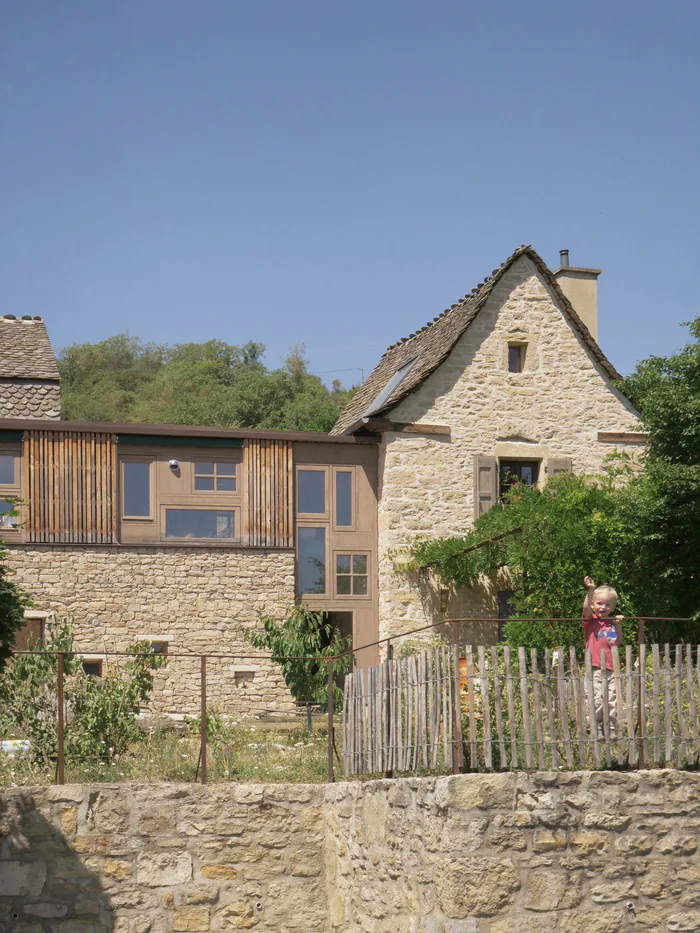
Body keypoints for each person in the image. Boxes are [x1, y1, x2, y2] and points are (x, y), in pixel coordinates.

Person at [582, 575, 624, 734]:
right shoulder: (591, 620)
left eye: (607, 604)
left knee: (612, 698)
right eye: (599, 603)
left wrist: (619, 626)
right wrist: (591, 590)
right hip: (595, 666)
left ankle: (611, 727)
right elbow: (585, 610)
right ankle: (594, 727)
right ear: (593, 604)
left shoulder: (612, 623)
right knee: (596, 697)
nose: (603, 607)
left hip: (612, 666)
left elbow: (617, 642)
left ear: (613, 607)